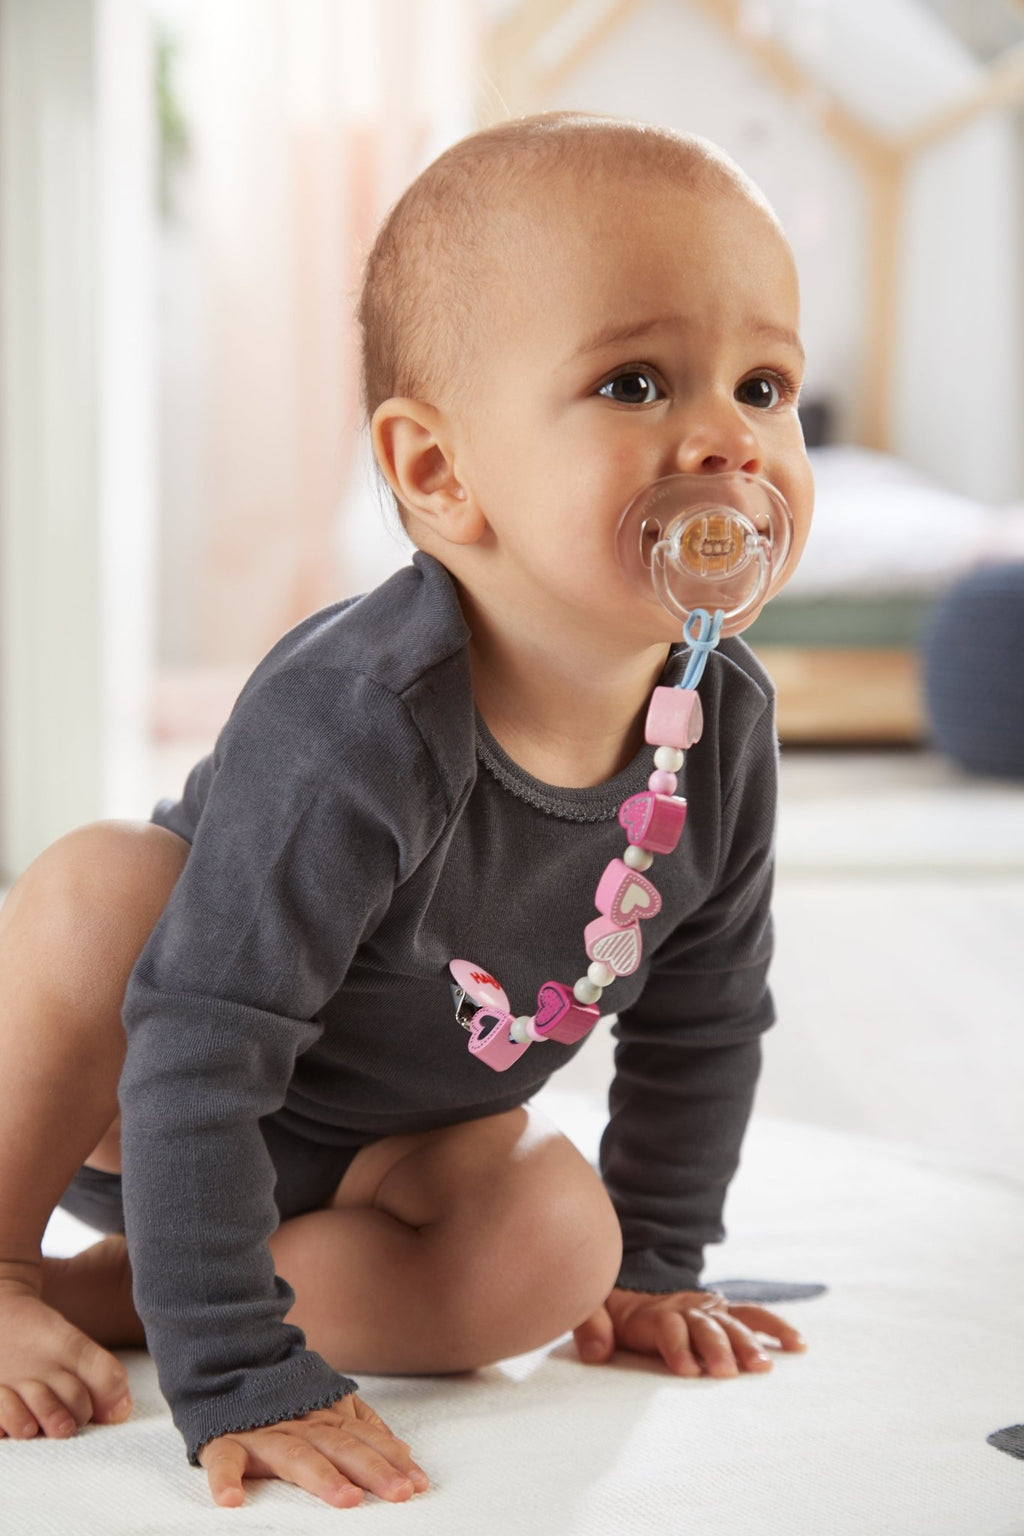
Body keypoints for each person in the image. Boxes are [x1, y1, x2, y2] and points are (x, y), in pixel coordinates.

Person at [0, 111, 814, 1510]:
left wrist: (660, 1263)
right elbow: (199, 1046)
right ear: (440, 474)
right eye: (634, 383)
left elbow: (705, 1017)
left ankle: (128, 1296)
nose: (726, 442)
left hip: (391, 1149)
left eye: (763, 385)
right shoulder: (360, 719)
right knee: (94, 892)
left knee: (564, 1243)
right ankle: (17, 1261)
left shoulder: (720, 727)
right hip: (154, 1086)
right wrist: (241, 1375)